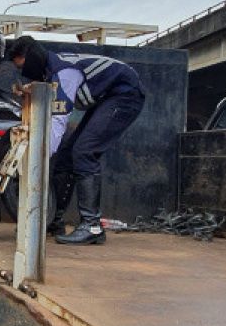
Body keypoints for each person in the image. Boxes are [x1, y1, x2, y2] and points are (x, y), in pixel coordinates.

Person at [8, 35, 146, 244]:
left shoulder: (64, 73)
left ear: (33, 58)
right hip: (106, 98)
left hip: (125, 94)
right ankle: (53, 219)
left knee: (84, 151)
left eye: (23, 67)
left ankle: (92, 226)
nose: (23, 73)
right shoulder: (50, 72)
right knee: (66, 156)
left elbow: (58, 120)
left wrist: (39, 158)